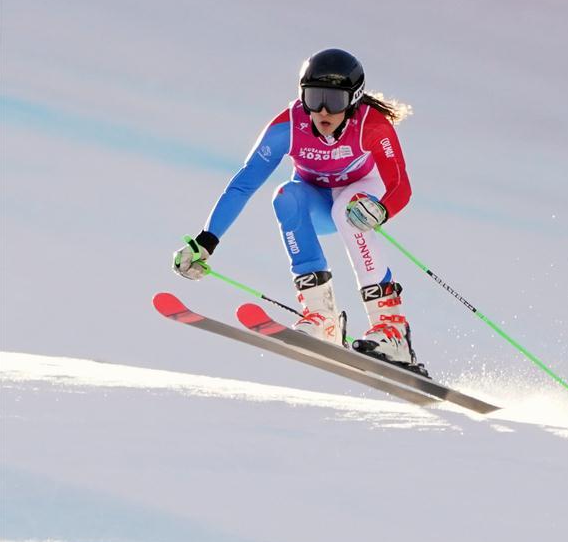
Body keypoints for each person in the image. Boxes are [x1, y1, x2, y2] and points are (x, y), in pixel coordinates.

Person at [172, 48, 427, 376]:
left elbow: (400, 185)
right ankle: (322, 318)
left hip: (364, 193)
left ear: (353, 100)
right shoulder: (288, 127)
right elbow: (243, 184)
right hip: (319, 202)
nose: (322, 109)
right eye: (313, 96)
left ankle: (391, 328)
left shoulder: (372, 125)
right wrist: (206, 241)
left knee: (347, 212)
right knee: (286, 197)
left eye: (333, 100)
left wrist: (382, 208)